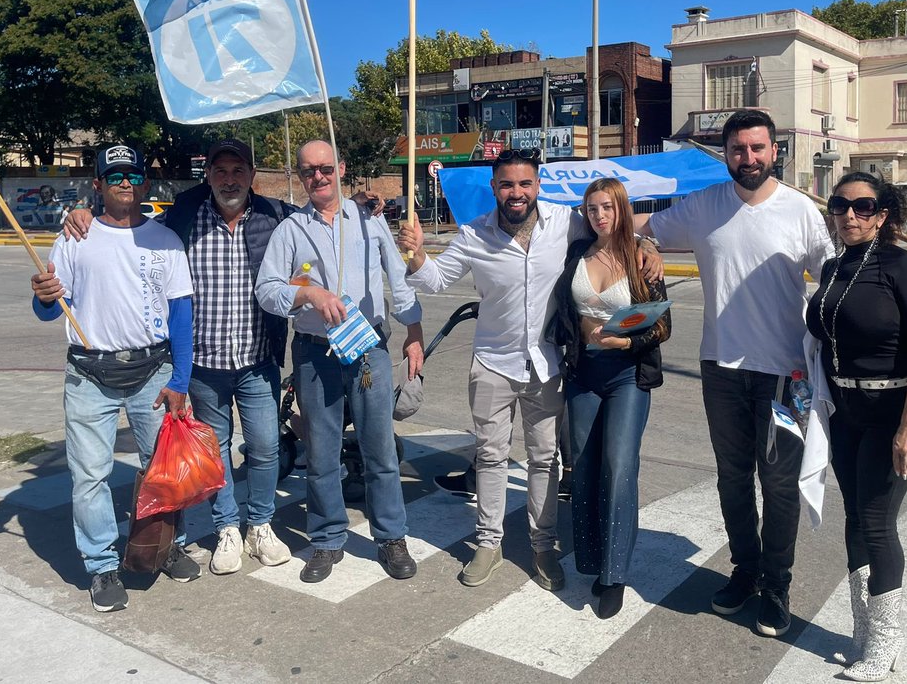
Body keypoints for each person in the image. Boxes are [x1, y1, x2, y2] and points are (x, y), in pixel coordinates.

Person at [398, 147, 662, 591]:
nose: (516, 192)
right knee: (490, 456)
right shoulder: (474, 234)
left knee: (545, 460)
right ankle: (488, 543)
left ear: (537, 185)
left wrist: (646, 245)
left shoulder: (565, 222)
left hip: (547, 364)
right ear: (494, 188)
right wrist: (417, 256)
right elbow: (437, 280)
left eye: (524, 184)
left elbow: (611, 229)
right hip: (492, 363)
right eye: (506, 184)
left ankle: (544, 545)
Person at [633, 109, 834, 637]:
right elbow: (646, 228)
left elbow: (835, 279)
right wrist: (649, 245)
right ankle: (745, 572)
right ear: (726, 154)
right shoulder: (703, 207)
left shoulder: (801, 211)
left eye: (757, 148)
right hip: (719, 369)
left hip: (788, 375)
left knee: (780, 483)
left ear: (775, 152)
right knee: (733, 479)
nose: (748, 158)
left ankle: (777, 585)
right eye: (738, 149)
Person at [64, 139, 298, 575]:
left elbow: (320, 219)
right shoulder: (184, 217)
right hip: (207, 364)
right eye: (220, 170)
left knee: (266, 448)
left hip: (258, 358)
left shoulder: (276, 217)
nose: (230, 179)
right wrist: (82, 214)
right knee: (216, 450)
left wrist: (360, 206)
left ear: (252, 175)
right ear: (207, 175)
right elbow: (130, 230)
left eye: (238, 170)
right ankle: (228, 526)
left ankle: (260, 524)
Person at [30, 145, 201, 613]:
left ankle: (166, 546)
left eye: (133, 174)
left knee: (161, 469)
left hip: (152, 371)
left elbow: (181, 313)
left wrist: (181, 380)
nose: (125, 181)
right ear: (99, 185)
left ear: (144, 184)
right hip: (89, 373)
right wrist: (43, 296)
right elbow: (48, 307)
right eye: (115, 175)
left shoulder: (165, 241)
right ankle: (102, 564)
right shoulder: (74, 238)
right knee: (90, 477)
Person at [256, 140, 424, 584]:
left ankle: (391, 536)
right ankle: (328, 539)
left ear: (342, 168)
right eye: (309, 170)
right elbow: (267, 290)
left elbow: (398, 278)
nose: (318, 177)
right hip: (316, 353)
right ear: (300, 175)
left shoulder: (369, 222)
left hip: (367, 348)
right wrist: (307, 294)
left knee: (379, 448)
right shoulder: (291, 231)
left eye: (326, 168)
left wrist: (414, 330)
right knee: (321, 451)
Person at [805, 172, 907, 680]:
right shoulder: (834, 266)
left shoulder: (904, 267)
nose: (850, 216)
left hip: (894, 413)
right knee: (856, 520)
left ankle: (886, 642)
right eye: (841, 205)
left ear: (884, 215)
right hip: (846, 413)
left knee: (878, 524)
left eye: (864, 207)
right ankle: (862, 631)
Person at [547, 178, 671, 619]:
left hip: (626, 376)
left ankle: (614, 575)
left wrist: (626, 345)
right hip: (583, 375)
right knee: (581, 466)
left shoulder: (641, 261)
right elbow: (564, 309)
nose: (599, 216)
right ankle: (593, 559)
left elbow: (661, 327)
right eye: (592, 209)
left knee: (619, 468)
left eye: (607, 208)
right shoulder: (577, 254)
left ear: (621, 210)